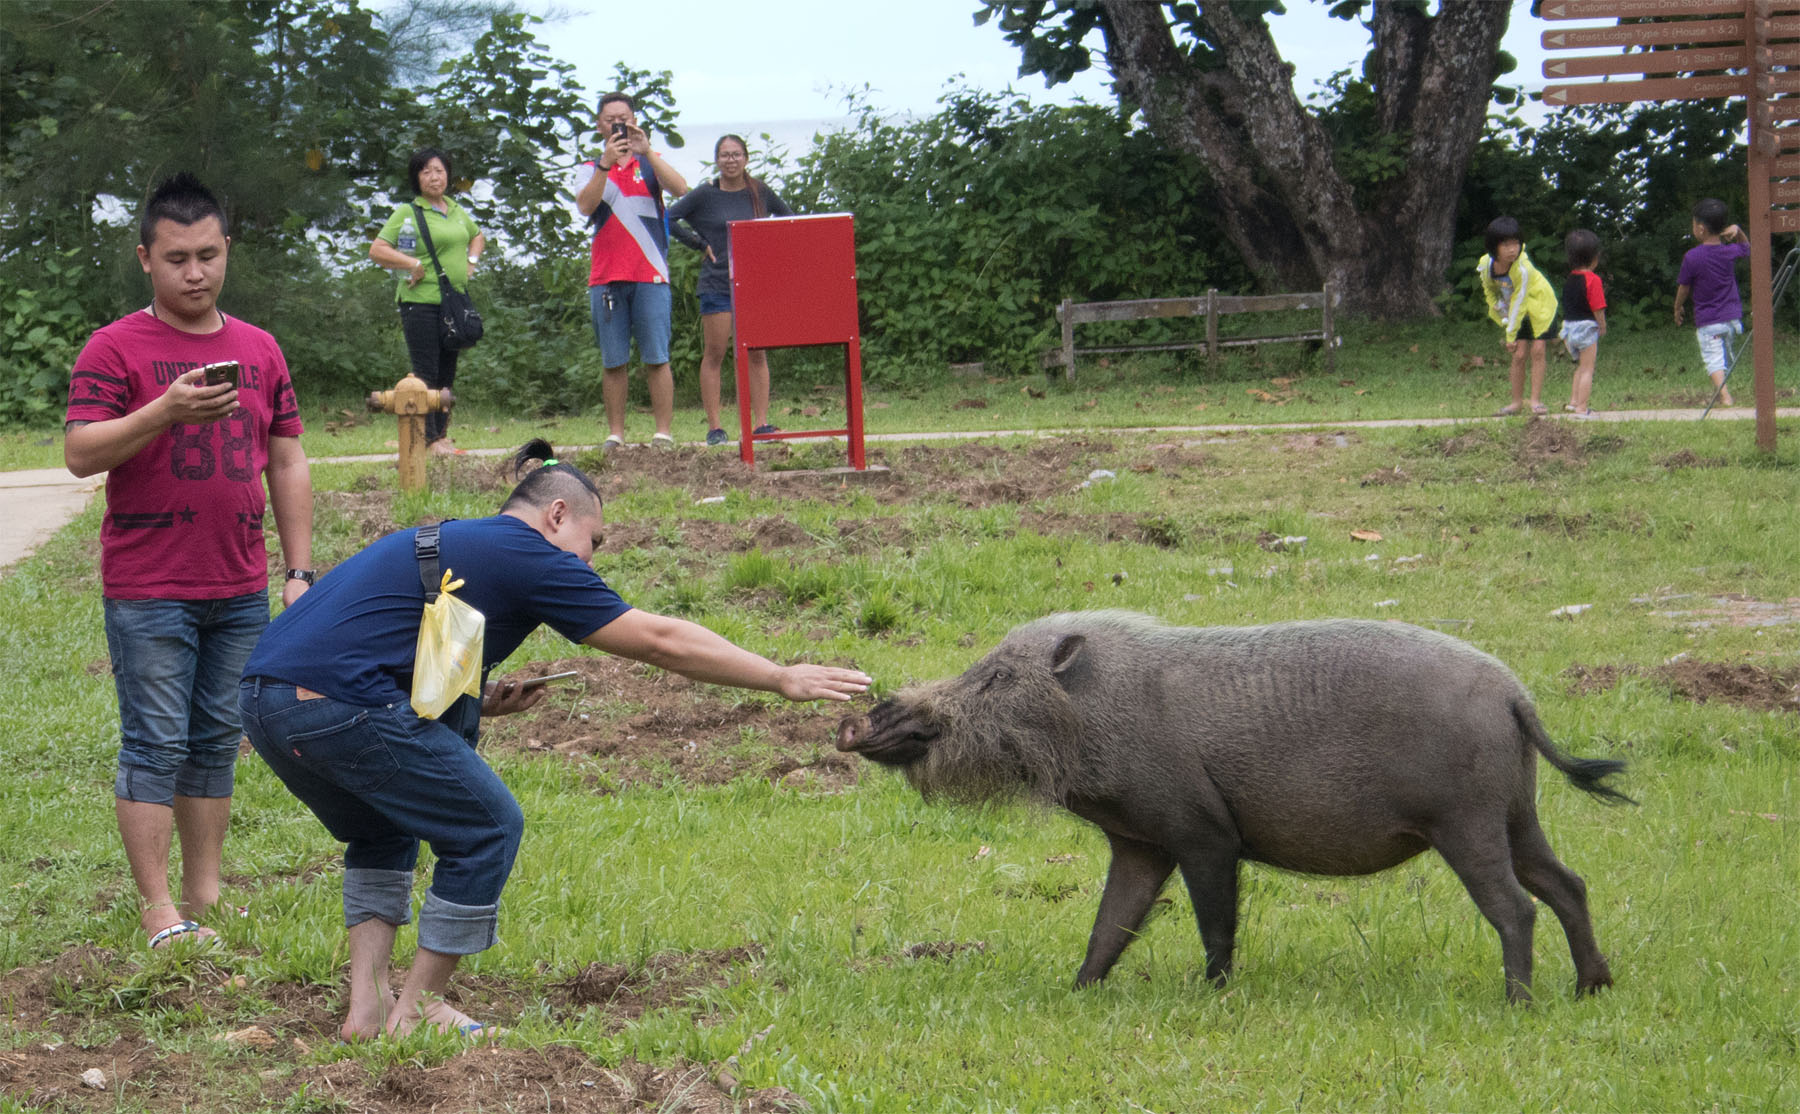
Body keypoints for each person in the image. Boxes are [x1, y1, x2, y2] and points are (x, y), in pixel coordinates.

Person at [236, 440, 870, 1039]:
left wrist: (480, 700)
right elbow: (659, 640)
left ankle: (368, 1012)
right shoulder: (525, 551)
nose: (590, 561)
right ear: (557, 514)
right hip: (337, 706)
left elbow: (375, 640)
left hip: (268, 702)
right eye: (593, 543)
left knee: (382, 831)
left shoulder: (456, 540)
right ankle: (419, 1008)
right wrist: (779, 675)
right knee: (486, 827)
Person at [63, 172, 315, 951]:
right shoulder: (115, 349)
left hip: (237, 581)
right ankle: (157, 909)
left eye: (208, 254)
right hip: (149, 586)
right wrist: (163, 409)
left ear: (227, 250)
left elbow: (288, 458)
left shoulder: (259, 349)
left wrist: (299, 570)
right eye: (177, 258)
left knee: (214, 738)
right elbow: (79, 453)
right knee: (154, 741)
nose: (195, 272)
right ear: (146, 258)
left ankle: (205, 893)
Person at [575, 93, 690, 451]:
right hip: (607, 277)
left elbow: (681, 188)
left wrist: (648, 150)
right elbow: (585, 205)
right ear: (599, 125)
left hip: (650, 273)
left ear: (634, 119)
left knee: (657, 356)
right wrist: (606, 165)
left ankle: (663, 432)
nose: (617, 124)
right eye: (610, 119)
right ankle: (616, 433)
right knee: (614, 360)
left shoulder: (650, 163)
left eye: (623, 118)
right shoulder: (589, 166)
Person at [667, 134, 795, 446]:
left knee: (757, 351)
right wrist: (698, 243)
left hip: (755, 283)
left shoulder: (758, 190)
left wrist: (770, 250)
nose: (730, 160)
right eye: (724, 155)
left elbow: (790, 220)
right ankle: (715, 427)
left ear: (746, 158)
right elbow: (668, 218)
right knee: (715, 352)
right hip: (717, 283)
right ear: (717, 159)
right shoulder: (705, 195)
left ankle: (761, 423)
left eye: (736, 154)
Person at [370, 148, 486, 455]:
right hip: (419, 302)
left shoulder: (455, 209)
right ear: (417, 179)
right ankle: (430, 439)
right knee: (426, 372)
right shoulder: (408, 213)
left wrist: (471, 261)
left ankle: (441, 435)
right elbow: (378, 249)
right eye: (426, 172)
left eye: (439, 170)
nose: (434, 177)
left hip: (453, 303)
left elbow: (477, 236)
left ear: (448, 174)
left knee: (447, 372)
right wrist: (411, 264)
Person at [1476, 216, 1558, 417]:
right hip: (1515, 312)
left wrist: (1510, 336)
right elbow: (1489, 290)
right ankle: (1516, 403)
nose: (1513, 249)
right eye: (1506, 245)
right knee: (1519, 355)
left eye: (1516, 243)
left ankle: (1536, 402)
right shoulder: (1486, 265)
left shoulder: (1523, 268)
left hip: (1540, 308)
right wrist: (1498, 308)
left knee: (1538, 350)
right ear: (1494, 247)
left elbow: (1521, 301)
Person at [1672, 198, 1748, 408]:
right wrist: (1738, 231)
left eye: (1694, 224)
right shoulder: (1728, 251)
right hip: (1732, 318)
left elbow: (1684, 288)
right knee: (1722, 356)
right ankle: (1722, 390)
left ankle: (1725, 397)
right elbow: (1746, 248)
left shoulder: (1692, 257)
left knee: (1712, 358)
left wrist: (1677, 307)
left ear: (1701, 229)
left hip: (1709, 320)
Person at [1559, 229, 1607, 419]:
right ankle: (1582, 408)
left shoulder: (1570, 279)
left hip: (1568, 329)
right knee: (1588, 369)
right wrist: (1602, 326)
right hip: (1586, 328)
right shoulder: (1593, 280)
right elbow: (1598, 307)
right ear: (1595, 257)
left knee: (1580, 366)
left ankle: (1573, 402)